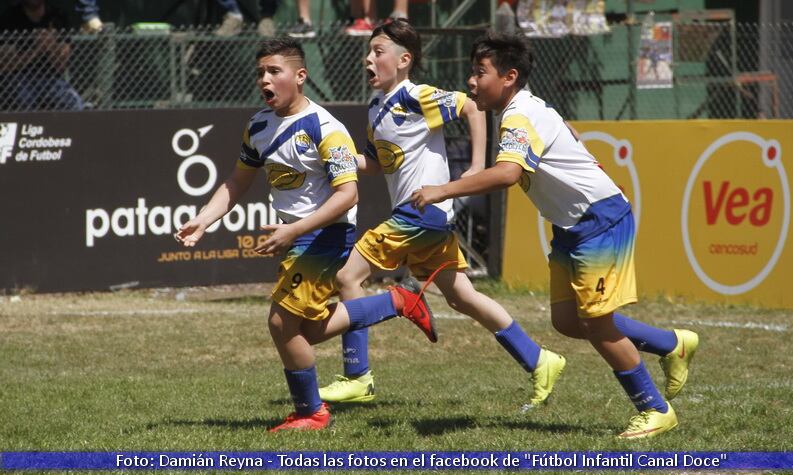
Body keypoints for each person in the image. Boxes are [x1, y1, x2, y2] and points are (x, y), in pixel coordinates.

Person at [411, 32, 699, 438]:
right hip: (571, 226)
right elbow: (567, 131)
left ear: (509, 77)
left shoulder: (518, 115)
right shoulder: (519, 109)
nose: (471, 81)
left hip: (599, 220)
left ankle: (654, 409)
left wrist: (442, 189)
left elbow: (509, 174)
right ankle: (671, 344)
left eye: (480, 72)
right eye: (471, 71)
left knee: (597, 324)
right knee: (567, 321)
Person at [175, 36, 437, 431]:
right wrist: (204, 218)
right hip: (295, 237)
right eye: (260, 72)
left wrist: (294, 229)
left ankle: (310, 413)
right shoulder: (258, 125)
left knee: (282, 325)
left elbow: (348, 194)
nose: (264, 79)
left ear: (300, 76)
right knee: (307, 329)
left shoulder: (326, 128)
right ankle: (396, 302)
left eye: (273, 71)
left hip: (325, 236)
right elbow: (237, 181)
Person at [318, 20, 567, 412]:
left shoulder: (415, 95)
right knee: (462, 296)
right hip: (424, 219)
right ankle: (539, 359)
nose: (369, 59)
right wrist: (336, 158)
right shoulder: (375, 106)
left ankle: (357, 377)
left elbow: (470, 106)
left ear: (404, 60)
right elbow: (378, 163)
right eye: (368, 52)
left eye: (377, 51)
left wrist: (476, 163)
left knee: (348, 276)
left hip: (422, 213)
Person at [0, 0, 84, 111]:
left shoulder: (58, 16)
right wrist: (36, 50)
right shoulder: (10, 17)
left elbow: (61, 65)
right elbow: (6, 65)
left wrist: (50, 46)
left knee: (75, 104)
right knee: (25, 100)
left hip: (50, 77)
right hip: (18, 78)